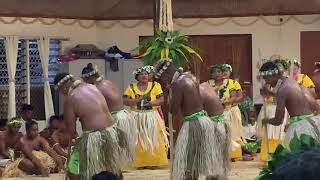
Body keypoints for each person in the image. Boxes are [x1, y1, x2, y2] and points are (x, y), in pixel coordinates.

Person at [154, 59, 224, 180]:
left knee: (187, 161)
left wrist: (167, 93)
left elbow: (173, 110)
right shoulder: (190, 76)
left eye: (162, 79)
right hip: (204, 121)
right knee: (202, 157)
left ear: (166, 74)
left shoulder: (177, 84)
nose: (164, 82)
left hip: (193, 124)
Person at [54, 72, 125, 180]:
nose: (63, 94)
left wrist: (74, 147)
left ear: (63, 87)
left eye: (60, 92)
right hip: (112, 132)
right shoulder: (93, 87)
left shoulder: (71, 99)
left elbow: (72, 132)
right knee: (111, 165)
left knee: (73, 166)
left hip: (94, 136)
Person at [81, 63, 136, 164]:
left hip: (116, 118)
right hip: (124, 114)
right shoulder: (108, 82)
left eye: (86, 81)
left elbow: (99, 108)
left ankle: (115, 167)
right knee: (120, 145)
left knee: (113, 147)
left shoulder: (97, 88)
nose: (86, 83)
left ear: (90, 77)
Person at [260, 61, 320, 148]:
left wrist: (266, 120)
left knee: (297, 158)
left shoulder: (282, 90)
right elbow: (298, 101)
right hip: (310, 123)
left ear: (273, 75)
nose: (267, 82)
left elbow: (278, 120)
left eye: (266, 79)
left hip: (301, 128)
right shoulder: (291, 82)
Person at [123, 66, 168, 169]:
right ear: (137, 77)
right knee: (138, 140)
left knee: (154, 139)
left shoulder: (155, 85)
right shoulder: (131, 87)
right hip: (137, 116)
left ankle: (154, 162)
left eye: (146, 74)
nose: (144, 76)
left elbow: (161, 100)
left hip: (151, 116)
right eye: (141, 74)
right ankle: (140, 163)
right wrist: (135, 101)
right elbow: (124, 100)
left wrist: (150, 103)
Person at [207, 64, 244, 160]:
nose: (217, 74)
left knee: (232, 133)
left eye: (219, 72)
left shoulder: (231, 83)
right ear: (211, 74)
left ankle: (233, 155)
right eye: (214, 72)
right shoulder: (208, 84)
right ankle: (218, 156)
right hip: (214, 113)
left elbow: (235, 97)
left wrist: (225, 102)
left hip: (229, 111)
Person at [256, 59, 290, 161]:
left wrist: (269, 92)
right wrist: (264, 91)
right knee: (268, 133)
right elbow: (265, 93)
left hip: (279, 107)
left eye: (280, 67)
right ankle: (267, 157)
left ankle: (279, 156)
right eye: (277, 66)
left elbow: (279, 95)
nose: (279, 68)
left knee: (279, 133)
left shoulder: (284, 82)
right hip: (269, 107)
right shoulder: (269, 81)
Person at [199, 82, 231, 178]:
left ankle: (216, 176)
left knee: (215, 154)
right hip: (218, 122)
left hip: (216, 124)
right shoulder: (207, 87)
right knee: (215, 154)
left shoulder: (200, 91)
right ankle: (215, 176)